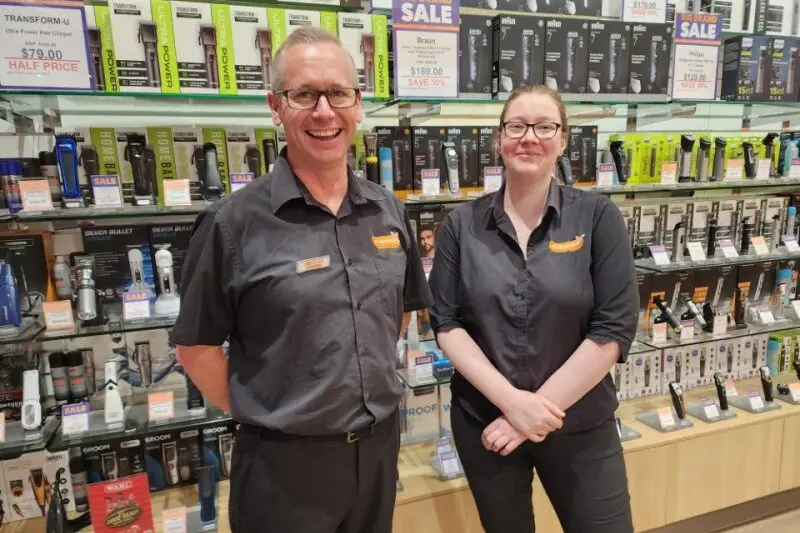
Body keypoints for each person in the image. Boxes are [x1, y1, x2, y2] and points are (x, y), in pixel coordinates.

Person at [171, 27, 432, 533]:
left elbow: (395, 314)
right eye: (304, 94)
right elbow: (195, 349)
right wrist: (271, 414)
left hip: (378, 452)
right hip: (283, 469)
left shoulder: (387, 210)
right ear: (276, 106)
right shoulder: (232, 223)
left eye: (338, 93)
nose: (324, 111)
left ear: (358, 104)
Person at [428, 84, 638, 533]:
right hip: (487, 425)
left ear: (563, 140)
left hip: (580, 424)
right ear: (499, 139)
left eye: (545, 126)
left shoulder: (598, 218)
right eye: (517, 126)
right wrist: (511, 405)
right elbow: (445, 322)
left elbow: (614, 328)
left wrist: (529, 415)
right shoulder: (461, 225)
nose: (529, 137)